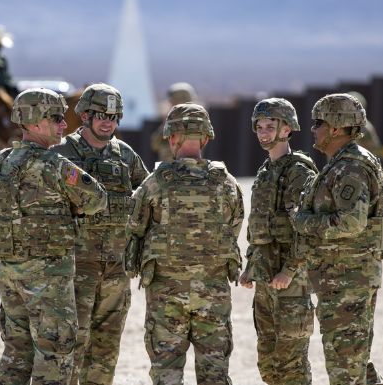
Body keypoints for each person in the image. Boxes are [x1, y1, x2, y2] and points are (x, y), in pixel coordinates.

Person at [0, 88, 108, 385]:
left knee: (16, 352)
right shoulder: (54, 165)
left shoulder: (0, 162)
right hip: (48, 276)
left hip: (10, 272)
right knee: (55, 351)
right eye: (56, 118)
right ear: (35, 122)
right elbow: (97, 199)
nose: (64, 125)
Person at [125, 103, 244, 385]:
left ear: (171, 138)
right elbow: (233, 226)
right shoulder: (226, 182)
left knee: (166, 372)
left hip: (166, 293)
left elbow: (135, 227)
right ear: (205, 138)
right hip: (213, 291)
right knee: (214, 374)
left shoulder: (155, 183)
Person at [51, 83, 149, 385]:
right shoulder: (62, 153)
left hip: (116, 269)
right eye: (100, 115)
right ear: (84, 116)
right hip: (75, 267)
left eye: (114, 115)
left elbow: (146, 198)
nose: (108, 121)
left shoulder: (125, 155)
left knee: (107, 346)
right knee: (70, 343)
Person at [293, 93, 383, 385]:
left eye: (317, 123)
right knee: (354, 360)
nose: (313, 129)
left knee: (345, 367)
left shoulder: (351, 167)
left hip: (348, 279)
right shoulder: (342, 162)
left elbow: (350, 222)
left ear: (335, 128)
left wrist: (303, 221)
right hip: (343, 278)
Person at [238, 98, 318, 385]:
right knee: (269, 364)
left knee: (291, 364)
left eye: (270, 126)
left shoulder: (299, 172)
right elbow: (260, 229)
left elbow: (307, 231)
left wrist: (290, 270)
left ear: (287, 129)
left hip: (290, 282)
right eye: (259, 127)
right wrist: (251, 267)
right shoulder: (265, 172)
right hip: (266, 280)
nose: (263, 132)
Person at [151, 82, 200, 163]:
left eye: (174, 101)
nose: (171, 104)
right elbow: (155, 145)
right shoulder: (171, 120)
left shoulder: (194, 123)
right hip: (167, 169)